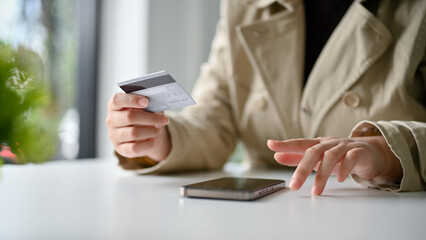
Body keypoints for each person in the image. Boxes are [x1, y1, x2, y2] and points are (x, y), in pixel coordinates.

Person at [106, 0, 426, 195]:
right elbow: (213, 120)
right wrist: (160, 140)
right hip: (264, 219)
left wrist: (387, 153)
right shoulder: (245, 5)